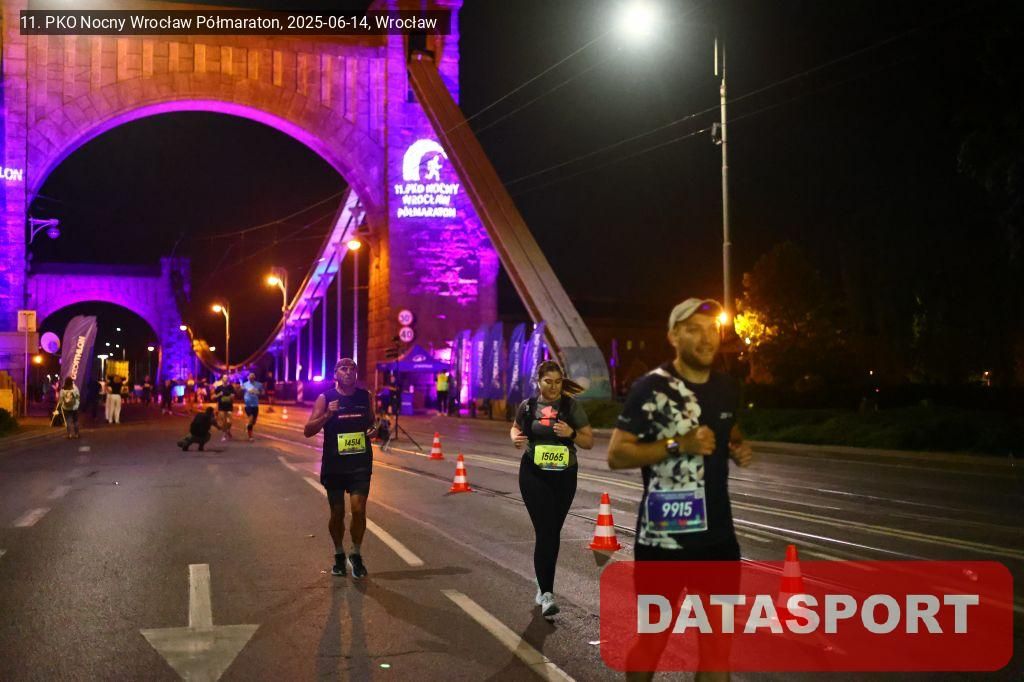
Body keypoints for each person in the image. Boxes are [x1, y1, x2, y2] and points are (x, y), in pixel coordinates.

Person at [607, 298, 754, 682]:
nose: (706, 338)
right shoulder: (650, 388)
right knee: (653, 643)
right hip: (664, 540)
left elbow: (728, 428)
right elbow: (617, 454)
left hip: (718, 538)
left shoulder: (726, 388)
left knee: (718, 652)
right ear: (673, 336)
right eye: (693, 330)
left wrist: (737, 446)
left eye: (711, 330)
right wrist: (678, 445)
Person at [510, 361, 594, 620]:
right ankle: (547, 594)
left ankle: (542, 580)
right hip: (534, 475)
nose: (554, 387)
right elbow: (516, 427)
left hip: (565, 476)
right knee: (546, 530)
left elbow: (588, 441)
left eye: (558, 382)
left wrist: (571, 433)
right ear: (538, 381)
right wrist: (514, 437)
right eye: (548, 382)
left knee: (552, 533)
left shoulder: (570, 407)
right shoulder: (528, 406)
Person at [304, 358, 377, 579]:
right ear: (335, 373)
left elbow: (372, 422)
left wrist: (374, 430)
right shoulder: (325, 398)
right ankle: (338, 554)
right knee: (337, 513)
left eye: (353, 368)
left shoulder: (365, 397)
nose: (348, 372)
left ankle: (356, 553)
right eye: (343, 369)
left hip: (360, 463)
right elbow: (308, 430)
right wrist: (327, 415)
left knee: (358, 509)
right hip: (335, 464)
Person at [241, 372, 264, 442]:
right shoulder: (245, 384)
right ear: (248, 377)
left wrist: (258, 392)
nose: (251, 378)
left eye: (252, 377)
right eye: (250, 377)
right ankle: (250, 437)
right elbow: (240, 390)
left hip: (255, 405)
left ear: (254, 378)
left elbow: (263, 392)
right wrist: (241, 388)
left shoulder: (258, 384)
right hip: (248, 405)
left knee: (253, 422)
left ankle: (248, 425)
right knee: (251, 419)